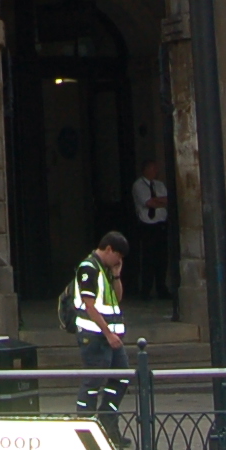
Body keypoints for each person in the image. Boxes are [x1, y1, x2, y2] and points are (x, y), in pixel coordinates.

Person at [67, 230, 131, 431]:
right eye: (118, 256)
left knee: (121, 375)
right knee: (93, 381)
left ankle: (107, 421)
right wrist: (108, 333)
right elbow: (89, 305)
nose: (118, 260)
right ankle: (85, 428)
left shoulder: (105, 269)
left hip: (109, 336)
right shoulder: (89, 268)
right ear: (109, 249)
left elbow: (117, 298)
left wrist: (117, 275)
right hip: (94, 336)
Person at [129, 161, 171, 302]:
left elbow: (168, 200)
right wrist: (158, 201)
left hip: (161, 225)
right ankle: (146, 289)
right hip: (147, 226)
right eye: (153, 168)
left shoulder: (159, 185)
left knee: (162, 258)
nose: (156, 171)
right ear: (146, 169)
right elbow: (148, 203)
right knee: (148, 258)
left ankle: (161, 287)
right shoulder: (138, 185)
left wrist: (157, 200)